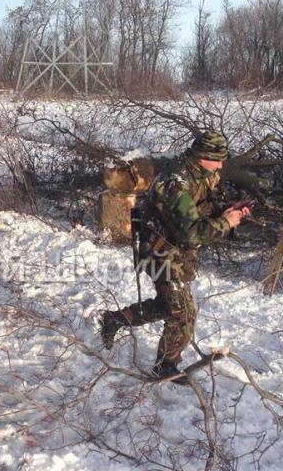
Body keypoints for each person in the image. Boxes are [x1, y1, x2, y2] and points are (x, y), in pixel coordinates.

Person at [98, 130, 251, 383]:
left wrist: (226, 211)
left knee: (168, 306)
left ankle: (114, 319)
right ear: (203, 156)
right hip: (160, 254)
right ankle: (165, 365)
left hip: (174, 252)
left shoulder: (197, 174)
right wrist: (225, 223)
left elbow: (197, 210)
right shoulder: (176, 182)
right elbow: (192, 233)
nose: (221, 166)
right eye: (218, 160)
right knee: (182, 312)